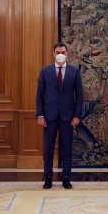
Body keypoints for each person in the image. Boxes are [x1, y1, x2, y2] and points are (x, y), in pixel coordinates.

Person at [36, 43, 83, 189]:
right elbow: (39, 95)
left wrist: (77, 115)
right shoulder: (45, 71)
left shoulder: (74, 71)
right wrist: (40, 115)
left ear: (67, 53)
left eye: (63, 52)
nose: (60, 54)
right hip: (49, 116)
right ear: (53, 53)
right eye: (58, 52)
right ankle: (48, 178)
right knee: (48, 149)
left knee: (67, 148)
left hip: (68, 117)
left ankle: (66, 178)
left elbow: (79, 96)